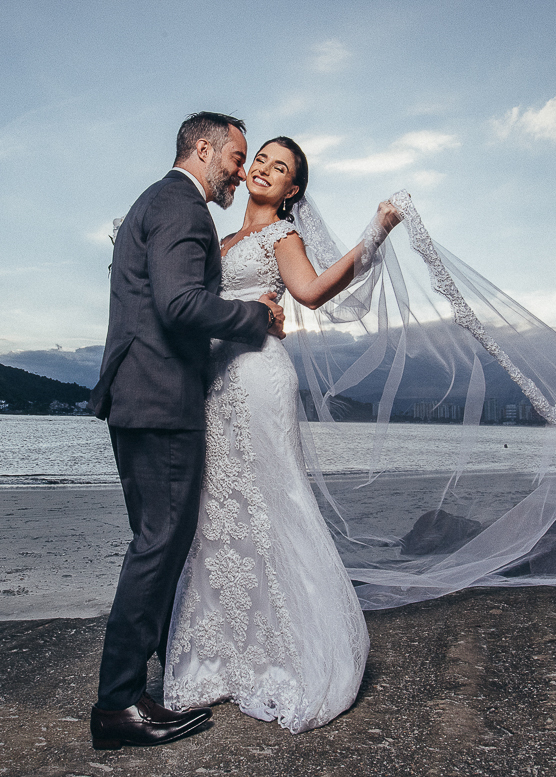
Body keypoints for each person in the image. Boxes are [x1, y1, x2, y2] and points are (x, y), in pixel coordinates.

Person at [161, 137, 399, 733]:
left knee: (275, 501)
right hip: (213, 385)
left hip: (260, 379)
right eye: (260, 160)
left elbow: (312, 292)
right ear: (244, 174)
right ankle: (219, 655)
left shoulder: (281, 237)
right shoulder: (219, 243)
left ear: (292, 190)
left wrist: (375, 233)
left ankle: (293, 653)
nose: (265, 170)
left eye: (281, 168)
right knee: (218, 512)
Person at [88, 112, 287, 750]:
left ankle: (134, 693)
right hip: (162, 398)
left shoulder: (153, 201)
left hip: (135, 396)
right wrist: (254, 315)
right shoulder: (182, 206)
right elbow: (178, 305)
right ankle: (119, 703)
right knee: (158, 546)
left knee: (155, 542)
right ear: (204, 150)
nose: (240, 172)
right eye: (235, 158)